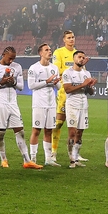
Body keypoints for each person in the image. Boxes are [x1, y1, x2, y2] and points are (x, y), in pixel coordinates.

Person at [0, 46, 42, 169]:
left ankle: (27, 161)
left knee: (20, 131)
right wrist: (2, 83)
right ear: (3, 54)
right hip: (0, 102)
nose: (11, 61)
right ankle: (3, 159)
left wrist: (13, 82)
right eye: (9, 58)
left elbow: (21, 86)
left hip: (13, 103)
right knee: (1, 133)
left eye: (13, 59)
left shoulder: (17, 67)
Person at [27, 43, 61, 167]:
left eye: (50, 50)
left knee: (49, 131)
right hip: (39, 104)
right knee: (36, 130)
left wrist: (56, 82)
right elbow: (31, 86)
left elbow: (58, 87)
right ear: (41, 53)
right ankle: (33, 158)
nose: (50, 52)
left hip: (51, 103)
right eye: (47, 50)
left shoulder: (54, 68)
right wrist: (46, 81)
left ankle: (48, 159)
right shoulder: (34, 68)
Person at [61, 49, 96, 168]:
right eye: (79, 57)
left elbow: (90, 92)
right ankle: (71, 160)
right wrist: (83, 84)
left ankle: (76, 158)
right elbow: (67, 89)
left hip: (83, 105)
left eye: (83, 57)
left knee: (80, 133)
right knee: (72, 132)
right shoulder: (67, 73)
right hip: (72, 105)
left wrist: (90, 86)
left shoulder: (87, 74)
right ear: (74, 59)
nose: (81, 59)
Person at [52, 30, 78, 165]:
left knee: (76, 127)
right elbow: (57, 71)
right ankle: (53, 152)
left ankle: (75, 154)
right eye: (69, 38)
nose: (71, 39)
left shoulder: (77, 54)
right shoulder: (59, 53)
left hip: (76, 94)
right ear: (64, 40)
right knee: (59, 123)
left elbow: (81, 72)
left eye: (73, 37)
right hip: (63, 93)